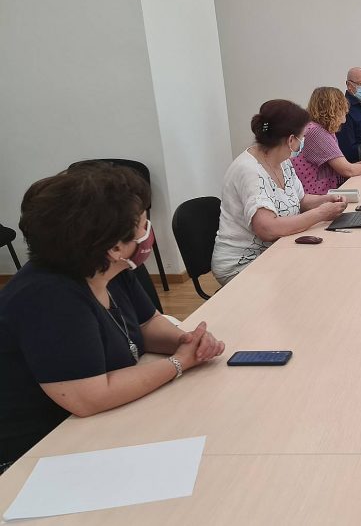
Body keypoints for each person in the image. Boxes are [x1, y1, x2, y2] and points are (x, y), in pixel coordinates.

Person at [0, 164, 226, 473]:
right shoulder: (48, 297)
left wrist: (188, 341)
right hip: (35, 453)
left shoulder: (110, 267)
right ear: (114, 247)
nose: (148, 231)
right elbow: (89, 398)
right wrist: (179, 362)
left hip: (97, 423)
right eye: (143, 224)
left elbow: (147, 325)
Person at [212, 100, 348, 285]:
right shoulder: (249, 170)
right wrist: (320, 213)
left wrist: (327, 200)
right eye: (302, 137)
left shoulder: (283, 162)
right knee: (313, 280)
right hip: (244, 263)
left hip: (277, 249)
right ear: (291, 140)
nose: (303, 142)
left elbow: (300, 200)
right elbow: (267, 229)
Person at [293, 87, 361, 195]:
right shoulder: (317, 132)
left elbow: (339, 167)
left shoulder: (325, 130)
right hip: (316, 194)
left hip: (324, 189)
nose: (346, 110)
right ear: (333, 109)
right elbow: (347, 170)